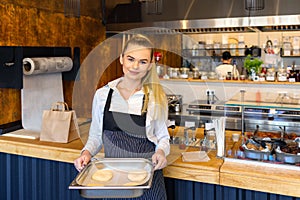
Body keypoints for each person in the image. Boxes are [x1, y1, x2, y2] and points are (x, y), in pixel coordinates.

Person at [74, 34, 170, 200]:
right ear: (121, 59)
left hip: (148, 180)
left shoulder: (156, 97)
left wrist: (161, 152)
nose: (135, 66)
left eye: (143, 61)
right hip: (114, 180)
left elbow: (163, 137)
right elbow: (96, 136)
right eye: (130, 59)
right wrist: (86, 153)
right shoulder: (103, 95)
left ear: (150, 65)